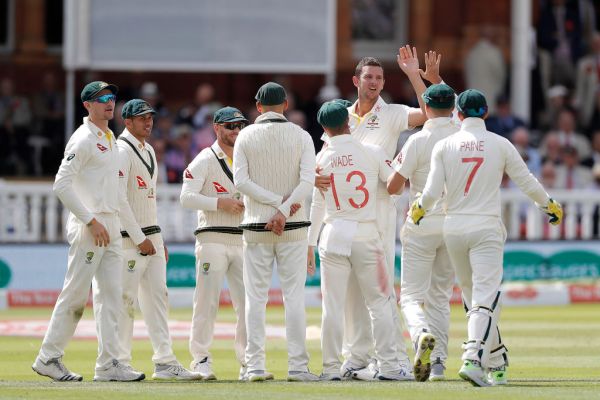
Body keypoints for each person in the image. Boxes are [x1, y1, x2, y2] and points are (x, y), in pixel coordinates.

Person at [411, 89, 563, 387]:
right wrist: (549, 204)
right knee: (486, 296)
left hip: (453, 228)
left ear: (459, 114)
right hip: (486, 228)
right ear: (486, 113)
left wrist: (418, 210)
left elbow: (430, 193)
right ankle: (472, 359)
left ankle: (496, 360)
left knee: (474, 299)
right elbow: (527, 181)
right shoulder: (500, 143)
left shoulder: (445, 145)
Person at [332, 46, 439, 381]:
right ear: (356, 81)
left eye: (379, 77)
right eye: (369, 77)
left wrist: (412, 74)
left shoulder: (391, 113)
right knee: (351, 288)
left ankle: (392, 360)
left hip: (378, 209)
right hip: (345, 213)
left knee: (379, 288)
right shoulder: (341, 118)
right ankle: (357, 357)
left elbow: (429, 113)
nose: (375, 82)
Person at [32, 81, 144, 382]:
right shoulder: (83, 139)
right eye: (102, 98)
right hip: (90, 228)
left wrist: (110, 223)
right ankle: (48, 357)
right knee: (76, 295)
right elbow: (61, 184)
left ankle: (109, 364)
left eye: (112, 98)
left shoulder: (108, 137)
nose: (110, 103)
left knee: (112, 297)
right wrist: (90, 221)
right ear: (87, 105)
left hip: (111, 226)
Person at [308, 101, 404, 381]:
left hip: (333, 233)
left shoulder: (321, 159)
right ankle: (388, 366)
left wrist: (309, 244)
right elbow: (394, 184)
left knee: (333, 306)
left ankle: (329, 369)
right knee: (380, 302)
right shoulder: (372, 151)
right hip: (364, 232)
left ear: (324, 128)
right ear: (348, 123)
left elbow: (317, 204)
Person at [232, 82, 318, 382]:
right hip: (294, 227)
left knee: (255, 299)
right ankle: (297, 367)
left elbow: (240, 182)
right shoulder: (301, 135)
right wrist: (283, 207)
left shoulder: (245, 135)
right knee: (294, 298)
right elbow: (307, 183)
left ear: (258, 107)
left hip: (256, 225)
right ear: (285, 104)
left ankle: (254, 366)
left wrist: (273, 205)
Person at [116, 99, 200, 381]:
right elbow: (119, 200)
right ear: (127, 122)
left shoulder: (149, 150)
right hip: (129, 240)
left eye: (150, 117)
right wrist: (140, 238)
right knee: (125, 300)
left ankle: (165, 361)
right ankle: (118, 361)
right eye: (142, 118)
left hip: (150, 237)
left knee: (157, 299)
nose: (148, 122)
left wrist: (157, 237)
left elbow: (148, 202)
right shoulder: (121, 150)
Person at [386, 83, 459, 382]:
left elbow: (393, 186)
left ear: (426, 108)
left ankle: (420, 335)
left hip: (422, 220)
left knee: (412, 297)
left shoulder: (418, 140)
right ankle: (438, 363)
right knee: (440, 296)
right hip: (454, 222)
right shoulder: (461, 135)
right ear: (453, 108)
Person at [180, 106, 249, 380]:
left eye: (239, 126)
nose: (235, 131)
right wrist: (219, 203)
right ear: (216, 128)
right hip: (212, 237)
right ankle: (200, 359)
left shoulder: (247, 158)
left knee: (247, 303)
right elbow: (186, 197)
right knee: (207, 301)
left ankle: (248, 360)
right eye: (230, 126)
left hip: (242, 239)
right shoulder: (205, 159)